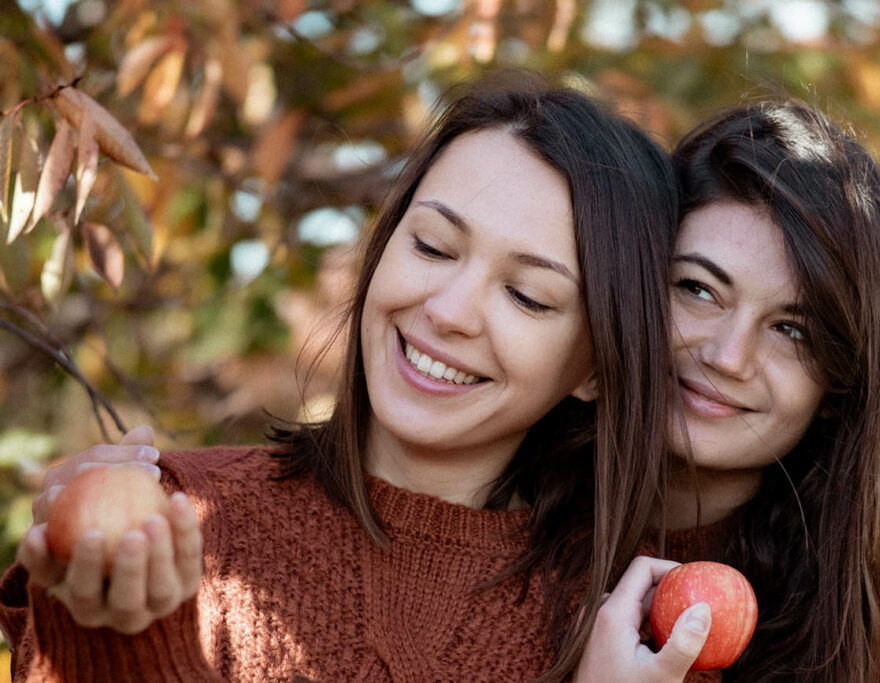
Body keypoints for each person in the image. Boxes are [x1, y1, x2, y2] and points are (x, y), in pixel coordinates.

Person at [0, 75, 679, 682]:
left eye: (527, 295)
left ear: (597, 367)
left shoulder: (636, 629)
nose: (447, 311)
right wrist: (113, 647)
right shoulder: (182, 525)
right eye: (432, 246)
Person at [577, 101, 880, 682]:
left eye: (790, 329)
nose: (727, 357)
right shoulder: (493, 517)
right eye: (698, 289)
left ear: (839, 385)